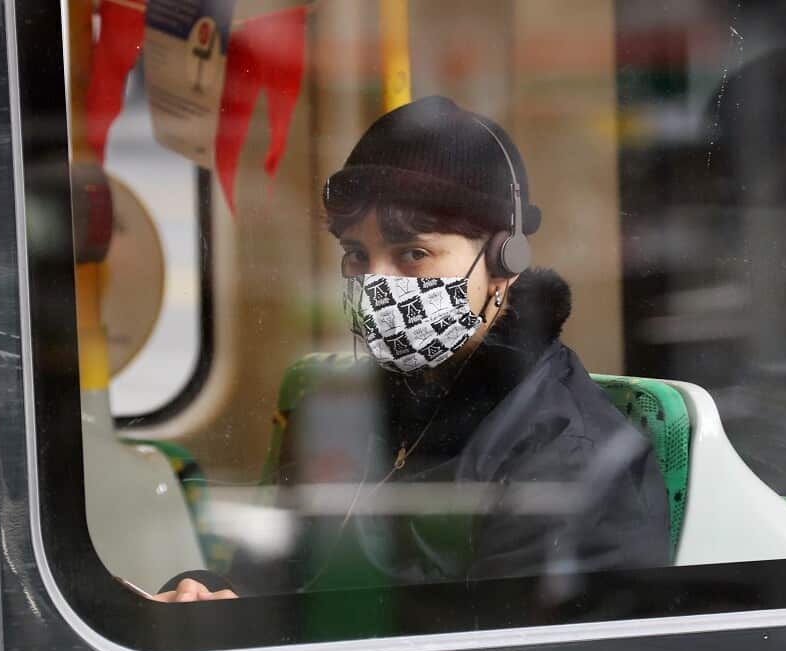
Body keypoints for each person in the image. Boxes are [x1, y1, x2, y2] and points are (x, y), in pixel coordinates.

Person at [155, 95, 667, 603]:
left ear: (503, 261)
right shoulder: (343, 408)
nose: (376, 283)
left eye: (413, 253)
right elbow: (276, 581)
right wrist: (213, 603)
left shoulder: (567, 460)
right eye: (356, 254)